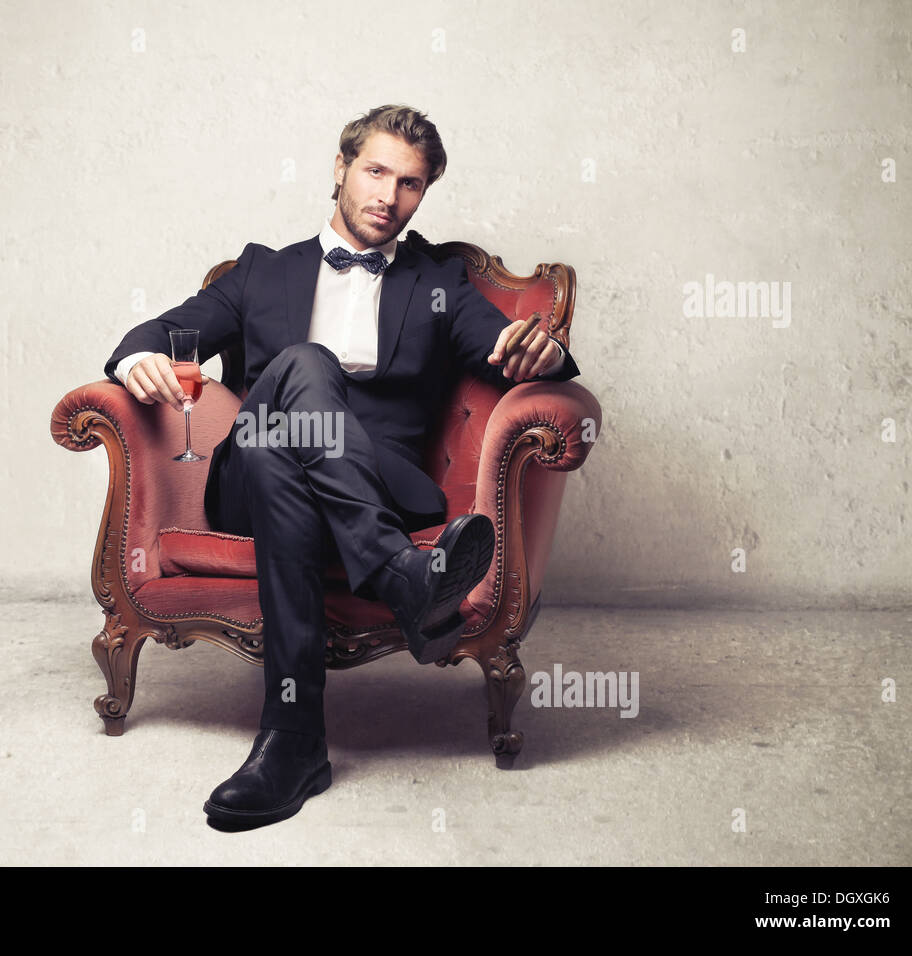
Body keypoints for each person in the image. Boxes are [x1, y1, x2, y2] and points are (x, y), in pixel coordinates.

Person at [104, 104, 581, 831]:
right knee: (299, 373)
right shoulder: (264, 271)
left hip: (381, 485)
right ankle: (403, 578)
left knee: (273, 458)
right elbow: (168, 330)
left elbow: (514, 347)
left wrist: (544, 351)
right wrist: (141, 356)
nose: (390, 196)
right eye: (377, 171)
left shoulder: (440, 282)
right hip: (249, 492)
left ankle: (293, 743)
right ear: (340, 169)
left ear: (426, 195)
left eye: (412, 184)